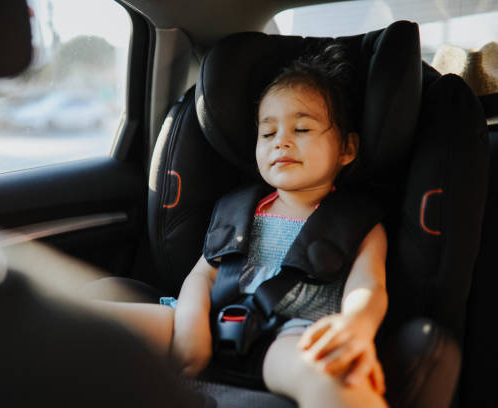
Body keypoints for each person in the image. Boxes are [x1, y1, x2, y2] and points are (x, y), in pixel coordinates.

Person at [91, 44, 388, 408]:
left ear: (347, 148)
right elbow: (203, 276)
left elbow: (369, 285)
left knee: (331, 380)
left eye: (302, 127)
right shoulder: (236, 210)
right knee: (82, 324)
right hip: (203, 318)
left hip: (290, 333)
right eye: (268, 134)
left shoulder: (358, 223)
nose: (282, 140)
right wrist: (190, 323)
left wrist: (357, 325)